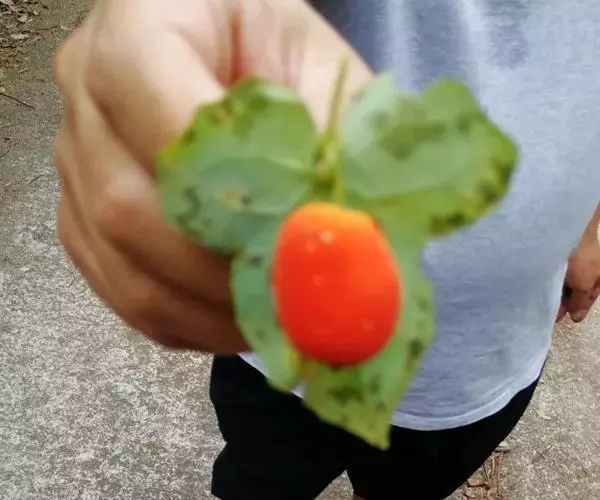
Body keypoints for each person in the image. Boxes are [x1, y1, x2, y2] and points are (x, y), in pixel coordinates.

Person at [52, 1, 600, 499]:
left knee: (407, 487)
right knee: (261, 478)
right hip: (286, 358)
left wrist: (588, 227)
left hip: (483, 363)